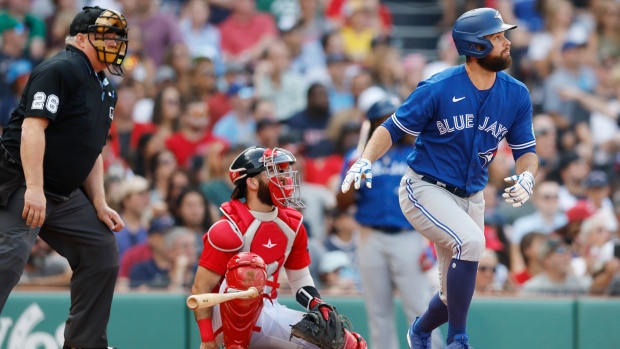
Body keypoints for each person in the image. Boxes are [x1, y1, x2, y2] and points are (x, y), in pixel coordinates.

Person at [341, 8, 539, 349]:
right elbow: (391, 128)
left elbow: (526, 149)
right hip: (425, 188)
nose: (507, 42)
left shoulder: (516, 93)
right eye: (497, 37)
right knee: (474, 243)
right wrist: (365, 159)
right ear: (476, 47)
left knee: (454, 295)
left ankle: (420, 330)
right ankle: (457, 340)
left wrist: (527, 177)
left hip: (472, 194)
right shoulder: (438, 87)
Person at [0, 6, 129, 349]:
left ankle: (84, 344)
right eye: (108, 36)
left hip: (63, 193)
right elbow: (32, 127)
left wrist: (99, 202)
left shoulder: (106, 86)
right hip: (19, 180)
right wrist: (35, 188)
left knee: (100, 250)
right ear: (83, 38)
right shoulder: (62, 67)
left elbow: (92, 150)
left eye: (119, 37)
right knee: (8, 260)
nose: (116, 43)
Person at [191, 146, 367, 349]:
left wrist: (316, 304)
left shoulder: (292, 225)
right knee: (248, 266)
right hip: (225, 319)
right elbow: (200, 288)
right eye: (275, 171)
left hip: (267, 310)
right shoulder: (228, 227)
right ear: (252, 181)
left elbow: (299, 279)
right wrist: (207, 339)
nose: (284, 177)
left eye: (284, 171)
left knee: (351, 345)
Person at [337, 97, 443, 349]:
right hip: (369, 235)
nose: (391, 122)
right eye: (383, 119)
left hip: (409, 235)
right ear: (373, 124)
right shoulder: (358, 156)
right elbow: (342, 203)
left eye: (395, 117)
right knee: (378, 312)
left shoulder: (418, 152)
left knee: (419, 308)